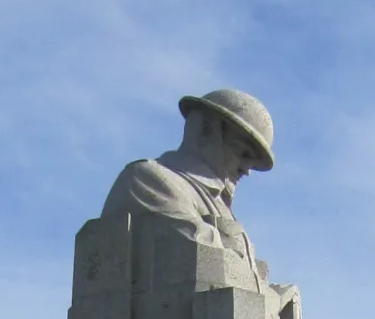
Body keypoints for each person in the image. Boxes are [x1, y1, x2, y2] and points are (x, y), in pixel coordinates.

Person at [100, 89, 277, 285]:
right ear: (206, 130)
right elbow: (203, 254)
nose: (246, 170)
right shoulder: (148, 177)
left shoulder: (218, 204)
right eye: (242, 152)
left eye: (251, 162)